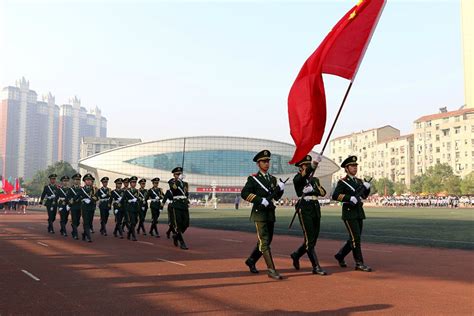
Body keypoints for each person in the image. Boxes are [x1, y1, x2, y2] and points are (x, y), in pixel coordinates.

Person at [241, 150, 285, 280]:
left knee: (266, 240)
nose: (267, 164)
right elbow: (244, 193)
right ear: (258, 164)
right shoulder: (253, 179)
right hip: (259, 214)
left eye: (268, 161)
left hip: (270, 213)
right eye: (264, 162)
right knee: (265, 242)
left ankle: (251, 260)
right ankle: (271, 269)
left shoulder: (272, 179)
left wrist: (281, 189)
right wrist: (260, 200)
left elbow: (276, 197)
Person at [331, 155, 372, 272]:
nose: (355, 168)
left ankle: (340, 255)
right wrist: (348, 198)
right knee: (356, 239)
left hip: (359, 212)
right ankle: (359, 263)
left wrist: (367, 188)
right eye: (352, 166)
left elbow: (364, 195)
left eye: (355, 166)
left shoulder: (359, 181)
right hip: (349, 213)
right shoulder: (343, 182)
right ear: (346, 169)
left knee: (354, 238)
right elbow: (335, 195)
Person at [290, 154, 327, 275]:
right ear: (300, 167)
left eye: (309, 164)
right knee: (310, 239)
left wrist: (313, 190)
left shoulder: (315, 180)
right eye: (305, 165)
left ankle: (296, 255)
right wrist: (313, 165)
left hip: (315, 207)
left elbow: (323, 192)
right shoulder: (298, 178)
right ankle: (315, 266)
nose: (308, 167)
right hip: (304, 208)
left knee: (313, 239)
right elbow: (301, 178)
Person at [168, 167, 190, 250]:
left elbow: (186, 193)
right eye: (177, 174)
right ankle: (182, 242)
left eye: (180, 174)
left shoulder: (185, 184)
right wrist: (178, 180)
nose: (179, 175)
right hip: (176, 205)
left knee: (186, 223)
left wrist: (187, 200)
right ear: (174, 175)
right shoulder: (172, 182)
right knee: (178, 224)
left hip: (184, 204)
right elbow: (173, 189)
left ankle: (176, 235)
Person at [78, 173, 98, 242]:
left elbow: (97, 197)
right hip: (84, 207)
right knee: (86, 222)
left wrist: (90, 200)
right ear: (84, 181)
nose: (89, 181)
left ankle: (84, 234)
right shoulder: (81, 189)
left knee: (89, 222)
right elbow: (76, 197)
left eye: (90, 180)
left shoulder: (94, 189)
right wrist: (82, 199)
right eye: (87, 180)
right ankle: (88, 237)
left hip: (91, 207)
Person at [122, 176, 139, 241]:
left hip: (136, 208)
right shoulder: (127, 191)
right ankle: (133, 236)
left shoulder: (137, 191)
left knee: (135, 221)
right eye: (132, 182)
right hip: (130, 208)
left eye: (135, 182)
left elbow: (139, 198)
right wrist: (129, 201)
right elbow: (123, 200)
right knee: (132, 222)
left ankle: (129, 233)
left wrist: (137, 199)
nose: (134, 184)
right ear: (130, 183)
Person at [68, 173, 82, 240]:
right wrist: (70, 202)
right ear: (73, 180)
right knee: (74, 220)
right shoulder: (70, 189)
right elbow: (68, 197)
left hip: (79, 206)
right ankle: (75, 235)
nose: (77, 181)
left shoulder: (81, 189)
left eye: (78, 179)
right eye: (76, 179)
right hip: (73, 206)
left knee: (78, 221)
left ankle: (74, 230)